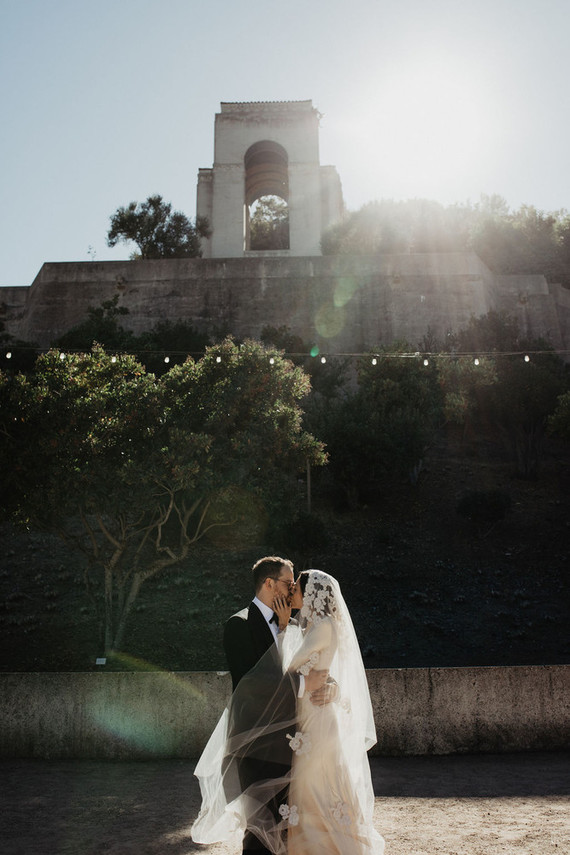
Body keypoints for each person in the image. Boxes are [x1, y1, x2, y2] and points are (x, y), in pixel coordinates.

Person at [191, 556, 329, 854]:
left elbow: (313, 667)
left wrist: (329, 688)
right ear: (269, 583)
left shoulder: (292, 625)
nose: (293, 590)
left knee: (287, 828)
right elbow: (251, 683)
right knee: (259, 831)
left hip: (294, 740)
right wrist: (303, 685)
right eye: (288, 583)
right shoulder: (238, 625)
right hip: (255, 741)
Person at [275, 569, 385, 854]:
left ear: (311, 594)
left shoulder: (323, 626)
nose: (291, 592)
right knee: (310, 790)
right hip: (310, 717)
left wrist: (283, 628)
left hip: (318, 722)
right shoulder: (314, 627)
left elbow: (290, 668)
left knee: (313, 789)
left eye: (296, 588)